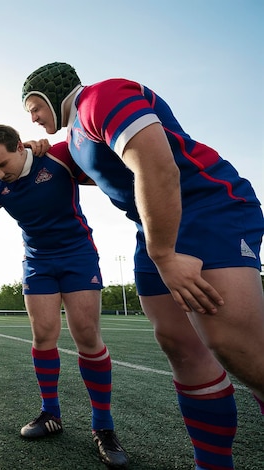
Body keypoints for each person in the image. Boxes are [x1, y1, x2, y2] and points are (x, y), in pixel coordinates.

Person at [22, 61, 264, 470]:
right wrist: (32, 147)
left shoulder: (101, 97)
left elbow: (156, 163)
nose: (31, 117)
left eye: (33, 106)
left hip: (206, 208)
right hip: (152, 228)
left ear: (50, 93)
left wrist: (165, 253)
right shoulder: (75, 138)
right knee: (182, 350)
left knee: (239, 348)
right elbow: (43, 164)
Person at [0, 124, 129, 469]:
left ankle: (103, 427)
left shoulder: (59, 156)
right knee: (44, 335)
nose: (1, 173)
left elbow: (106, 165)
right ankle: (51, 414)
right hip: (37, 263)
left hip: (77, 255)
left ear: (20, 146)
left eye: (4, 163)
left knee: (87, 337)